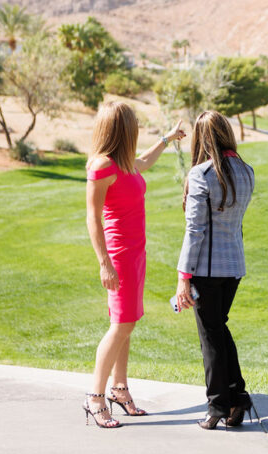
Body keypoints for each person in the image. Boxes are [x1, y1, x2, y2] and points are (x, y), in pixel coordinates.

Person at [84, 101, 186, 428]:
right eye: (133, 124)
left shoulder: (125, 163)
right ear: (121, 129)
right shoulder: (102, 166)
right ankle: (95, 397)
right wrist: (104, 263)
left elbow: (144, 161)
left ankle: (120, 389)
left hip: (136, 254)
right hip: (118, 256)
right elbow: (92, 218)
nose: (137, 128)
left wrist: (168, 139)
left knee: (127, 322)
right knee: (121, 325)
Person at [175, 111, 255, 430]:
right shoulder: (246, 171)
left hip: (206, 270)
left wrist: (183, 278)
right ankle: (237, 398)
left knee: (210, 336)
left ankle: (218, 404)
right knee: (218, 329)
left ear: (200, 137)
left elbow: (194, 230)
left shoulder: (201, 174)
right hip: (234, 265)